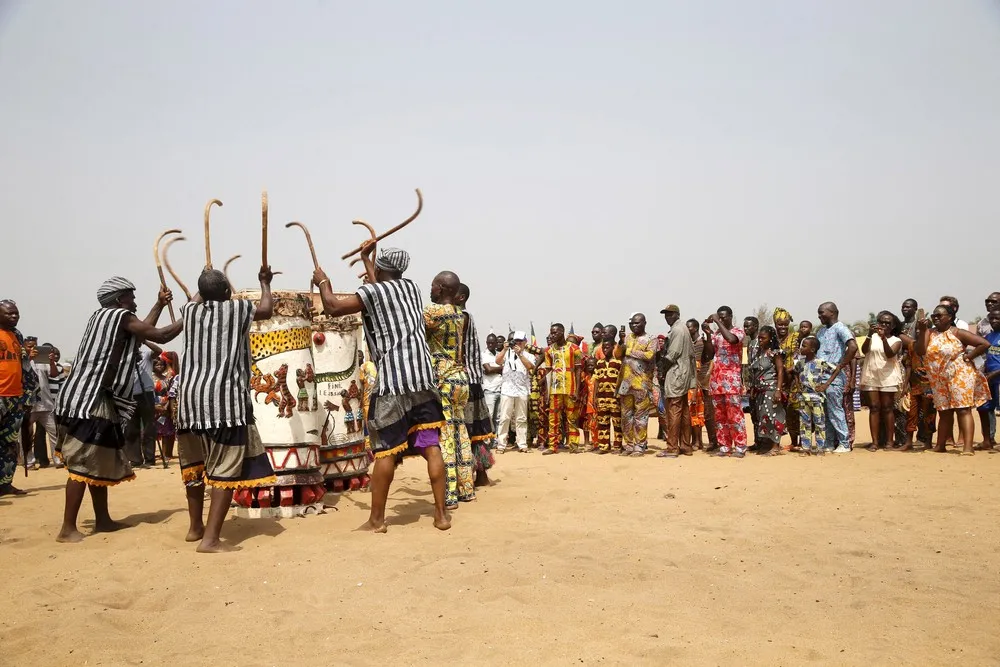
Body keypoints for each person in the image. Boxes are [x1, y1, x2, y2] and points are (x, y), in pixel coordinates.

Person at [314, 245, 450, 532]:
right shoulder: (410, 288)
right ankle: (441, 515)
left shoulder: (373, 293)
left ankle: (377, 520)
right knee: (431, 446)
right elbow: (381, 288)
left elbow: (333, 307)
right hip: (423, 379)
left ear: (381, 268)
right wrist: (366, 258)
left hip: (393, 382)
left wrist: (323, 281)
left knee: (386, 451)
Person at [55, 278, 182, 543]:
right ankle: (67, 528)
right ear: (118, 300)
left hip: (95, 398)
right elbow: (159, 335)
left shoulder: (106, 317)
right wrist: (192, 310)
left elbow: (142, 330)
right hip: (89, 401)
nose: (134, 302)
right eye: (131, 298)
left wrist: (159, 304)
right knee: (82, 461)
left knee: (96, 460)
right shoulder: (118, 316)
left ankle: (103, 520)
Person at [175, 267, 277, 552]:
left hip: (189, 402)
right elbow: (267, 310)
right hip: (224, 403)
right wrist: (264, 283)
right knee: (225, 468)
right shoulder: (237, 310)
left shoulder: (190, 312)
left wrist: (204, 282)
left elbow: (198, 297)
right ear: (225, 293)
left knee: (194, 466)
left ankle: (196, 528)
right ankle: (210, 540)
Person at [425, 273, 475, 507]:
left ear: (442, 288)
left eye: (433, 286)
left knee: (445, 437)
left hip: (442, 377)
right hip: (460, 378)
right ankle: (466, 488)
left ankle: (449, 494)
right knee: (460, 434)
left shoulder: (433, 313)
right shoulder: (459, 314)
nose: (431, 289)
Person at [916, 304, 990, 455]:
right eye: (934, 316)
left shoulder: (957, 332)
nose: (936, 318)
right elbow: (920, 350)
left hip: (959, 376)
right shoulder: (930, 333)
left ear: (949, 318)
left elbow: (984, 344)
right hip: (939, 378)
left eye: (939, 315)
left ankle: (968, 448)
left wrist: (969, 356)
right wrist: (923, 330)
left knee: (963, 410)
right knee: (944, 411)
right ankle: (940, 445)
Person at [455, 283, 495, 487]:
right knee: (475, 432)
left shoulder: (460, 317)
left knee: (468, 432)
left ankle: (471, 476)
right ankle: (479, 475)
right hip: (472, 381)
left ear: (460, 297)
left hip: (464, 383)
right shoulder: (463, 317)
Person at [0, 300, 38, 496]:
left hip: (16, 398)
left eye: (16, 313)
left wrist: (28, 397)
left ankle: (5, 483)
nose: (14, 316)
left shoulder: (17, 335)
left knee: (9, 443)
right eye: (9, 314)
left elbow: (24, 367)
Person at [703, 307, 748, 457]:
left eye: (723, 317)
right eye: (719, 318)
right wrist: (709, 335)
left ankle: (740, 446)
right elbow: (710, 353)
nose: (721, 320)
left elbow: (731, 340)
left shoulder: (738, 332)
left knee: (735, 415)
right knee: (720, 417)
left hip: (732, 380)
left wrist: (716, 321)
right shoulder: (716, 335)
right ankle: (724, 446)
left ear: (730, 317)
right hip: (717, 380)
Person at [815, 302, 859, 453]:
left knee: (835, 410)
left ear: (832, 313)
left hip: (834, 377)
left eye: (822, 313)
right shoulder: (821, 331)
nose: (819, 316)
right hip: (820, 376)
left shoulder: (840, 328)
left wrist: (841, 365)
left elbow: (853, 347)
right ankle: (829, 442)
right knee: (825, 412)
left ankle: (844, 442)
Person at [860, 311, 903, 451]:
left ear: (893, 325)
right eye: (882, 322)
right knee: (874, 407)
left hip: (888, 377)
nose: (884, 325)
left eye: (888, 323)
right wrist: (868, 334)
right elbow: (864, 350)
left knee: (887, 408)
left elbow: (890, 354)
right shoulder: (872, 337)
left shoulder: (896, 340)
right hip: (871, 375)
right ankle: (875, 442)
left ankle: (890, 441)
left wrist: (884, 338)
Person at [615, 314, 656, 457]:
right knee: (626, 416)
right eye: (632, 323)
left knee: (641, 417)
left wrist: (629, 351)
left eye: (637, 323)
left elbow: (649, 355)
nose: (634, 326)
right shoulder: (626, 338)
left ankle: (639, 446)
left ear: (644, 323)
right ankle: (629, 445)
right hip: (626, 384)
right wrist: (621, 344)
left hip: (642, 384)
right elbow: (617, 354)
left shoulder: (651, 339)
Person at [656, 305, 694, 458]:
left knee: (674, 410)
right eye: (666, 315)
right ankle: (686, 446)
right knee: (684, 411)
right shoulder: (682, 328)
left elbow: (672, 354)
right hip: (683, 373)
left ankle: (672, 447)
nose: (667, 317)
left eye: (670, 314)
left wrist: (661, 370)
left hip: (676, 373)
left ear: (677, 315)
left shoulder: (677, 330)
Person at [539, 324, 583, 455]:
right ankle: (553, 446)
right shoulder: (548, 351)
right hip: (555, 389)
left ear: (562, 332)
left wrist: (577, 390)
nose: (552, 335)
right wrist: (547, 393)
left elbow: (579, 370)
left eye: (554, 333)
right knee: (553, 418)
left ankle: (574, 445)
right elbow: (548, 372)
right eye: (551, 333)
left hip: (570, 388)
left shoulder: (575, 349)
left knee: (572, 418)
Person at [793, 336, 838, 456]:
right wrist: (798, 386)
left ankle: (820, 448)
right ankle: (806, 447)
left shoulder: (820, 362)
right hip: (803, 397)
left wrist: (826, 385)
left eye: (804, 346)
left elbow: (836, 370)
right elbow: (795, 372)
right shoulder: (800, 362)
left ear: (812, 349)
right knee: (804, 423)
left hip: (816, 397)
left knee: (819, 422)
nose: (801, 348)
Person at [747, 325, 786, 456]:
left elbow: (780, 371)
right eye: (759, 338)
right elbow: (754, 372)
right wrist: (752, 387)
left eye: (763, 338)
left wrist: (778, 390)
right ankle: (767, 444)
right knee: (763, 417)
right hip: (759, 390)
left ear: (770, 339)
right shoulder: (758, 353)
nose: (760, 340)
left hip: (771, 389)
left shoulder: (775, 353)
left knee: (772, 416)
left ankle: (776, 446)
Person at [495, 331, 535, 453]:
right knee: (504, 418)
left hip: (522, 390)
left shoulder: (528, 355)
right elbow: (497, 361)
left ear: (525, 342)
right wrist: (504, 349)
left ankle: (522, 444)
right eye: (515, 341)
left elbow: (530, 367)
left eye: (519, 341)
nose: (517, 343)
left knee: (521, 418)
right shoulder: (507, 353)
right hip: (507, 390)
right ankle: (501, 445)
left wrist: (520, 354)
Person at [25, 337, 61, 468]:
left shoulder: (43, 361)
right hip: (28, 405)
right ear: (24, 347)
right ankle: (29, 462)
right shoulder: (21, 361)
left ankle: (58, 460)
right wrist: (28, 358)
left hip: (46, 404)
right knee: (27, 435)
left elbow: (54, 374)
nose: (32, 349)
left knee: (54, 434)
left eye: (34, 346)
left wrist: (51, 363)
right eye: (29, 346)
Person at [124, 341, 161, 468]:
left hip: (146, 394)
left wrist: (145, 340)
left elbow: (159, 351)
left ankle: (149, 458)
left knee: (148, 427)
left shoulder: (146, 355)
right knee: (131, 428)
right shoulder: (125, 358)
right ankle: (135, 459)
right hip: (130, 396)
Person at [593, 325, 623, 454]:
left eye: (608, 347)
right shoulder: (599, 363)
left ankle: (617, 446)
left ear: (613, 347)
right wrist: (595, 396)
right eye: (603, 347)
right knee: (602, 423)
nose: (605, 349)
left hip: (614, 398)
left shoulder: (618, 362)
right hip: (601, 398)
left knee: (617, 423)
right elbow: (596, 380)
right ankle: (604, 446)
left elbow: (621, 380)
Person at [774, 308, 800, 451]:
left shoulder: (795, 337)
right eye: (780, 324)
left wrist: (789, 369)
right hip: (780, 381)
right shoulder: (773, 340)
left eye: (785, 324)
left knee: (796, 411)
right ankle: (793, 442)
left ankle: (801, 441)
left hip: (794, 379)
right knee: (784, 412)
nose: (783, 327)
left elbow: (799, 356)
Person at [976, 309, 1000, 451]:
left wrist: (994, 374)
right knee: (983, 408)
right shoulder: (989, 337)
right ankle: (987, 440)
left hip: (997, 378)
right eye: (991, 318)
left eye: (997, 318)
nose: (994, 321)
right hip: (989, 379)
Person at [685, 319, 710, 450]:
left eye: (689, 327)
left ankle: (697, 442)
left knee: (695, 413)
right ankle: (696, 441)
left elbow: (697, 365)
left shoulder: (699, 344)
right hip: (692, 381)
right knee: (692, 413)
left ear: (695, 328)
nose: (687, 330)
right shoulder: (693, 343)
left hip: (696, 382)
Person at [151, 356, 176, 464]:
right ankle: (150, 455)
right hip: (153, 406)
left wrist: (166, 406)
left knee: (166, 431)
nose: (160, 366)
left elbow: (171, 393)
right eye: (157, 365)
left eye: (161, 365)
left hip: (165, 407)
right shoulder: (150, 378)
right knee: (151, 432)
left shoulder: (166, 379)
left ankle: (166, 454)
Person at [742, 316, 761, 448]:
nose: (746, 329)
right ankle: (757, 441)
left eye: (748, 326)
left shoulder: (760, 342)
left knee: (761, 413)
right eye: (745, 326)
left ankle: (764, 441)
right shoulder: (749, 343)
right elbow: (746, 363)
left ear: (756, 326)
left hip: (760, 382)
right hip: (752, 384)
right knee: (753, 413)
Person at [481, 333, 503, 433]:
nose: (490, 345)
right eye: (488, 343)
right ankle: (487, 440)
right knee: (489, 417)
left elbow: (491, 370)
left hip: (500, 389)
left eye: (492, 343)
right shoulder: (483, 355)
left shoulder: (499, 354)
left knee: (498, 418)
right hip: (489, 390)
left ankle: (496, 441)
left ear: (496, 344)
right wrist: (500, 368)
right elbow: (488, 369)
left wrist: (494, 369)